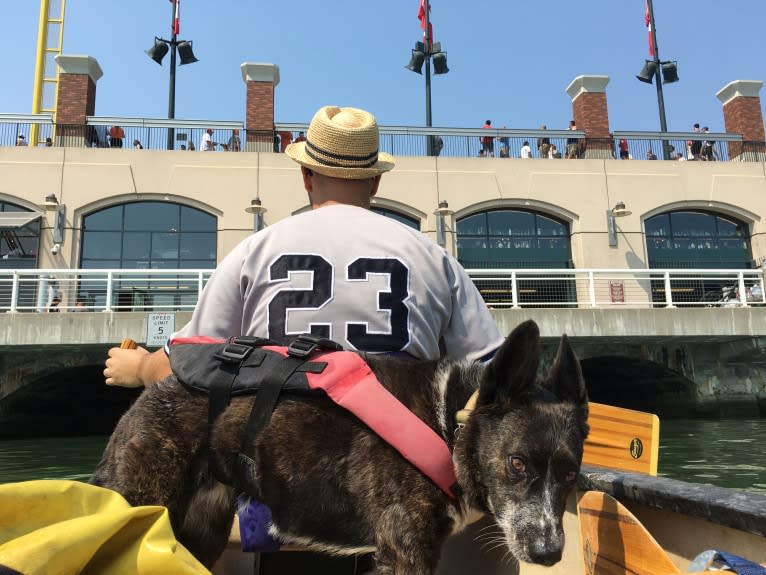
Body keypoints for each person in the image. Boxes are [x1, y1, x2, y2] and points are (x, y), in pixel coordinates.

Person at [103, 105, 503, 573]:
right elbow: (491, 384)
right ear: (375, 182)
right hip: (400, 507)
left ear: (306, 175)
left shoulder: (258, 249)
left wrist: (140, 368)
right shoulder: (432, 258)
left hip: (281, 491)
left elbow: (193, 367)